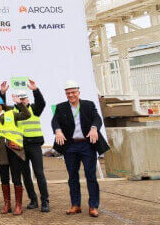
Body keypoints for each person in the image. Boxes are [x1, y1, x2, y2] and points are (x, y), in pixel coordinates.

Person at [52, 80, 109, 218]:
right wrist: (58, 130)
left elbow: (97, 118)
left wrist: (94, 128)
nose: (71, 95)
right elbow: (55, 121)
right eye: (68, 93)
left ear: (78, 92)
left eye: (73, 92)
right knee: (72, 176)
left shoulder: (88, 105)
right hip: (70, 145)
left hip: (87, 145)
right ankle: (75, 205)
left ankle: (93, 206)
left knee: (90, 175)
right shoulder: (61, 107)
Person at [0, 79, 50, 212]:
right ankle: (33, 200)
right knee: (26, 174)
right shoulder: (13, 111)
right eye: (20, 99)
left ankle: (45, 201)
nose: (22, 101)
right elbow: (1, 107)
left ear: (28, 98)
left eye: (24, 98)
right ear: (17, 100)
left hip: (34, 146)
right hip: (21, 147)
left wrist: (35, 90)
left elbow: (42, 103)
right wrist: (2, 93)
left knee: (39, 173)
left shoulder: (34, 109)